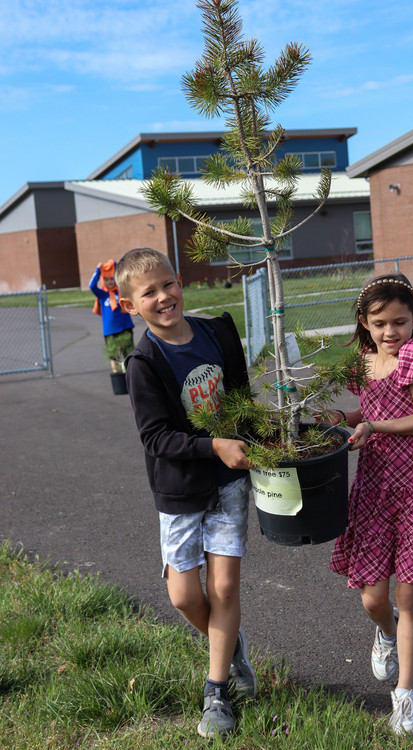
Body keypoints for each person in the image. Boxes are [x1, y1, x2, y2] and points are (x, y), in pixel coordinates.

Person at [115, 247, 256, 739]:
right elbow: (156, 438)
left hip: (229, 484)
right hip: (180, 491)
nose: (163, 296)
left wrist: (262, 438)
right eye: (148, 292)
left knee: (222, 589)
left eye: (167, 284)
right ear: (130, 305)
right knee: (182, 595)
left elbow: (241, 401)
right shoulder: (143, 362)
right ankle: (231, 646)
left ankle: (217, 691)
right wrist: (213, 444)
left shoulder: (218, 332)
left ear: (180, 283)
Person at [319, 273, 413, 736]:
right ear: (365, 323)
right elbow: (370, 408)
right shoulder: (362, 361)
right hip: (375, 485)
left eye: (400, 321)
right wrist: (344, 417)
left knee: (409, 591)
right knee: (373, 596)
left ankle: (406, 694)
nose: (390, 332)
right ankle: (386, 631)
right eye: (380, 323)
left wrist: (373, 428)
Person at [89, 259, 135, 372]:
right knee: (113, 355)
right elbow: (92, 286)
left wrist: (118, 268)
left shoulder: (121, 291)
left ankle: (131, 375)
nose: (110, 282)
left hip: (125, 327)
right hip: (110, 330)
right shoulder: (102, 294)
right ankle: (117, 375)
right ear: (103, 280)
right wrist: (98, 271)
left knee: (129, 353)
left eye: (112, 279)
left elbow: (127, 280)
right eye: (107, 279)